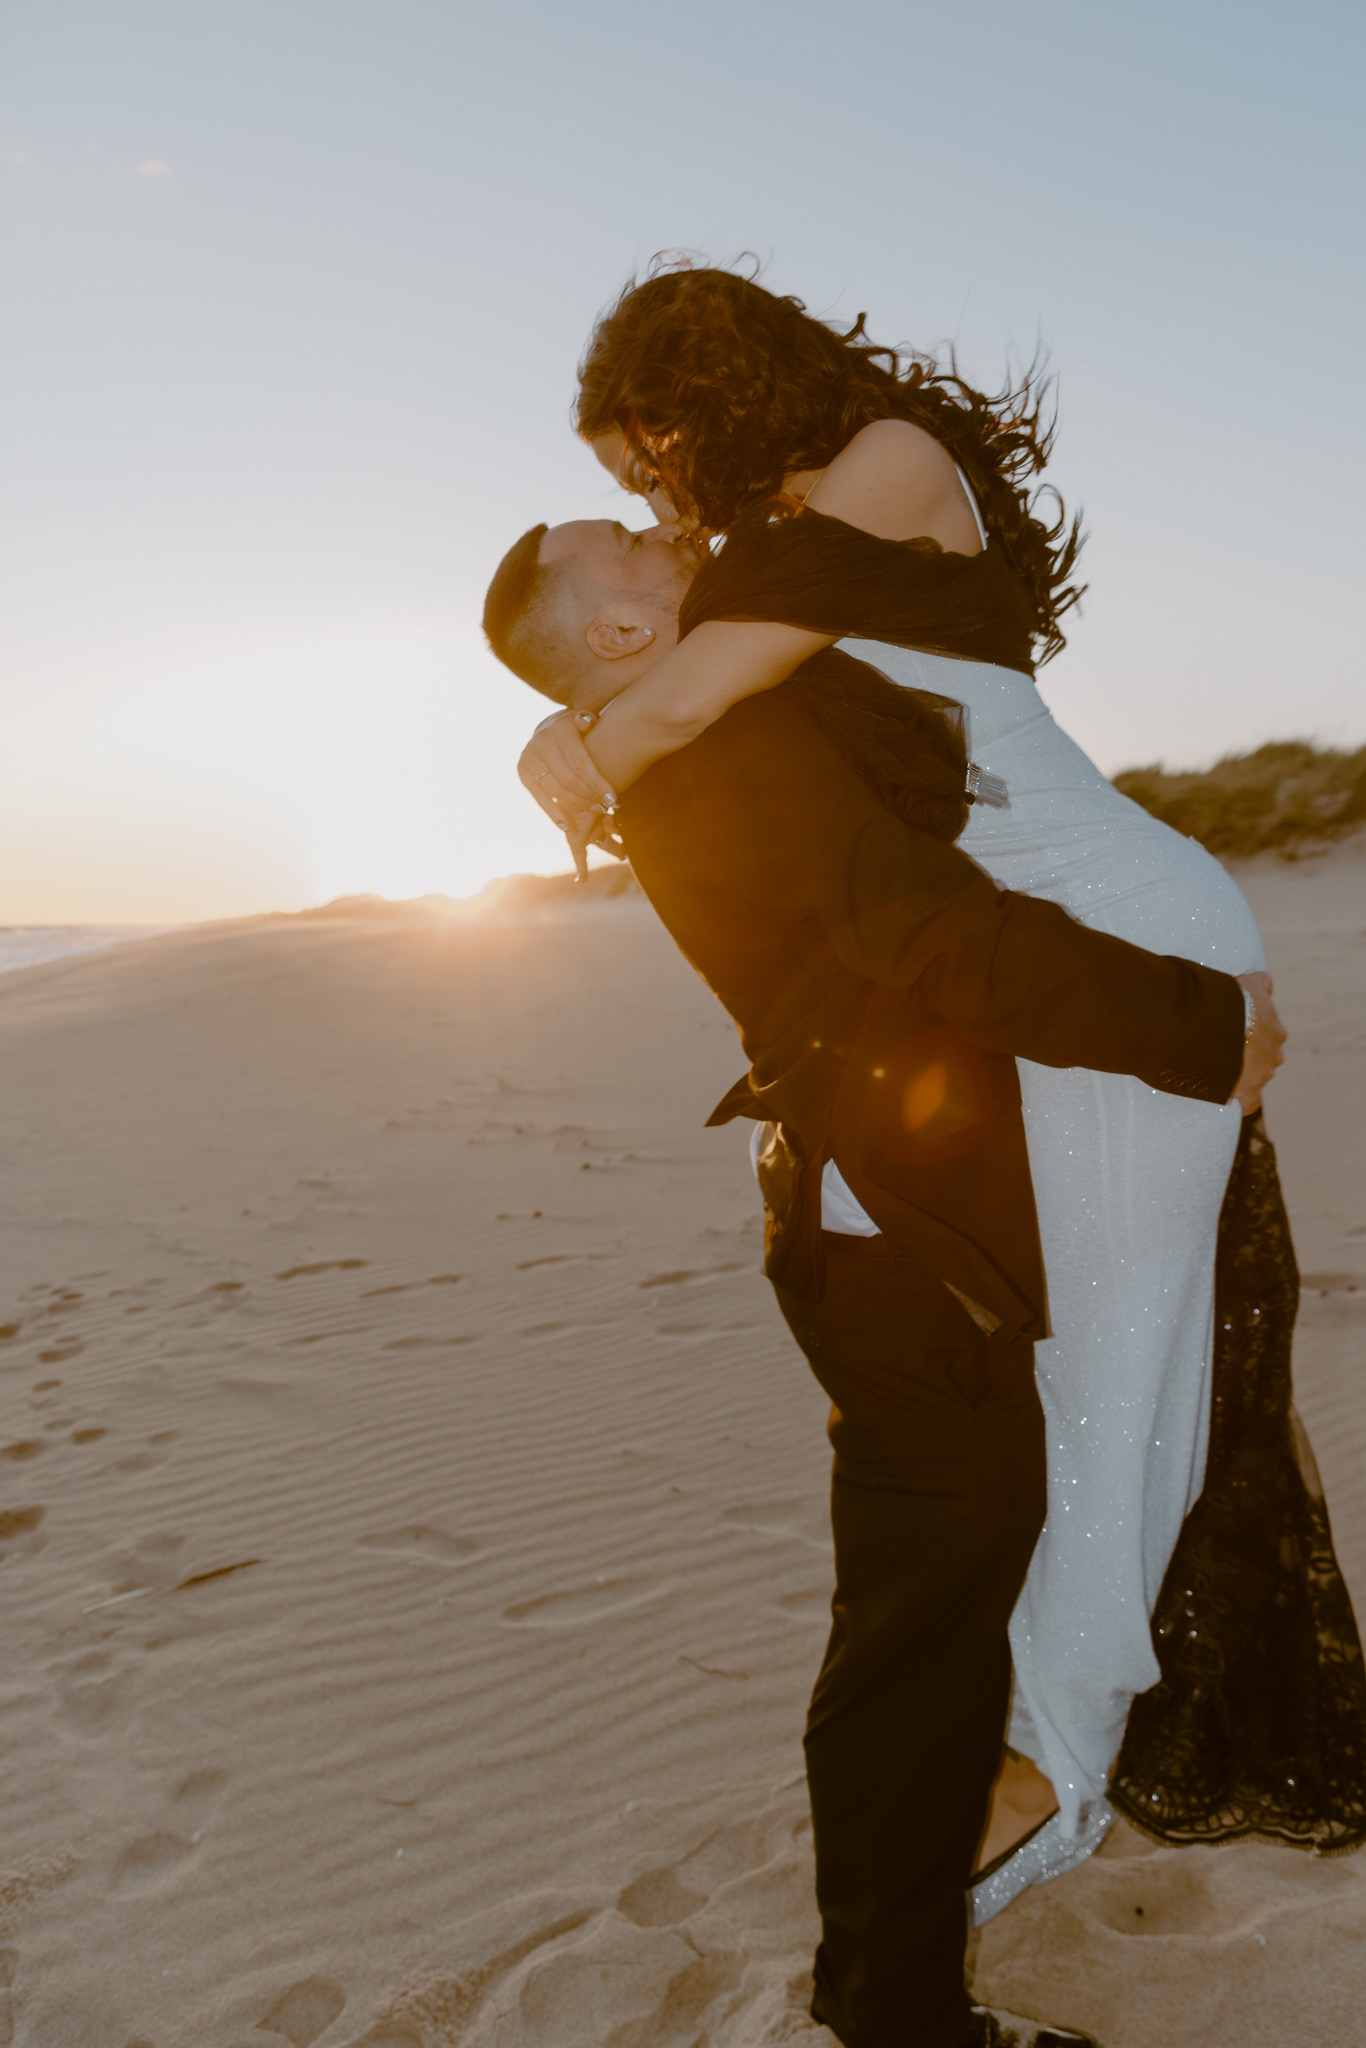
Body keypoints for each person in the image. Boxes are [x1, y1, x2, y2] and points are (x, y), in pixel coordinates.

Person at [508, 265, 1366, 1911]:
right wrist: (585, 730)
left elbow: (681, 693)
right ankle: (1040, 1736)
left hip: (1119, 937)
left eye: (646, 459)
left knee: (1120, 1366)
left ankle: (1045, 1753)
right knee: (1099, 1358)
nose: (656, 499)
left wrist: (568, 756)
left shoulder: (884, 464)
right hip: (1049, 962)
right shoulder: (771, 539)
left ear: (705, 392)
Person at [482, 511, 1283, 2048]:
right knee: (915, 1640)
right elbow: (936, 938)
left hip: (879, 1217)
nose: (663, 527)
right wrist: (1201, 1029)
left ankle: (887, 1986)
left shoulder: (693, 732)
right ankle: (893, 2011)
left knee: (920, 1617)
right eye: (624, 539)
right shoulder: (719, 752)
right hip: (899, 1245)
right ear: (619, 635)